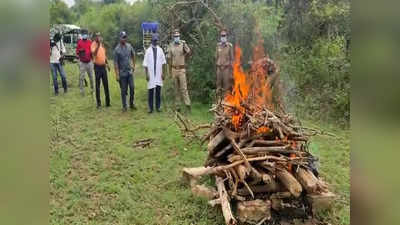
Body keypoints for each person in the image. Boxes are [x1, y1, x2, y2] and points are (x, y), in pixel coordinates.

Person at [167, 29, 192, 112]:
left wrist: (185, 45)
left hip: (182, 69)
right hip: (174, 69)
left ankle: (188, 105)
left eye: (177, 36)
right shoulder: (170, 45)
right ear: (173, 37)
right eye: (175, 36)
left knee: (184, 88)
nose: (176, 37)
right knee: (176, 89)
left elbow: (189, 53)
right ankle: (178, 107)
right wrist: (170, 71)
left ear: (179, 36)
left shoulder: (183, 44)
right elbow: (169, 59)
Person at [143, 33, 166, 114]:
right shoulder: (148, 51)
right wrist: (147, 74)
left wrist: (163, 73)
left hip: (159, 74)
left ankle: (158, 107)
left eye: (156, 40)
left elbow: (163, 63)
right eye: (154, 40)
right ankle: (150, 108)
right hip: (151, 74)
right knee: (151, 91)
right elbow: (145, 64)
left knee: (158, 91)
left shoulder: (160, 50)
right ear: (151, 41)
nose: (155, 42)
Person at [114, 31, 136, 112]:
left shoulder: (129, 46)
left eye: (125, 37)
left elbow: (133, 55)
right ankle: (124, 106)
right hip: (122, 73)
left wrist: (134, 65)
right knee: (123, 90)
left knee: (132, 88)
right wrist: (117, 75)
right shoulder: (117, 50)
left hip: (129, 72)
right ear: (120, 38)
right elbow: (115, 63)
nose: (124, 39)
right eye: (123, 37)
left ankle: (131, 103)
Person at [91, 32, 111, 108]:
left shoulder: (102, 45)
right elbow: (94, 54)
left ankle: (108, 102)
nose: (98, 37)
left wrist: (107, 64)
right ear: (95, 37)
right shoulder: (93, 44)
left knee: (106, 84)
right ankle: (98, 103)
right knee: (98, 85)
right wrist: (98, 45)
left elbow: (104, 55)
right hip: (97, 67)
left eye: (99, 36)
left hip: (103, 67)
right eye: (97, 36)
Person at [215, 29, 234, 98]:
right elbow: (216, 57)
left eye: (224, 35)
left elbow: (232, 59)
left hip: (226, 69)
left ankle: (225, 102)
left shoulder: (229, 46)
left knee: (226, 86)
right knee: (218, 85)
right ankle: (218, 103)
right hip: (219, 68)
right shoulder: (218, 46)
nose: (223, 37)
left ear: (226, 37)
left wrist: (231, 71)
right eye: (222, 35)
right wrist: (217, 65)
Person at [76, 30, 94, 96]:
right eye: (83, 34)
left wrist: (93, 60)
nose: (85, 35)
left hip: (89, 62)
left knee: (91, 77)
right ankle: (81, 91)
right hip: (82, 62)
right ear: (82, 35)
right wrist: (80, 52)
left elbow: (92, 52)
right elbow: (77, 52)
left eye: (86, 34)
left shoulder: (90, 42)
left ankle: (92, 89)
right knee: (81, 77)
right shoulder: (79, 42)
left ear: (87, 35)